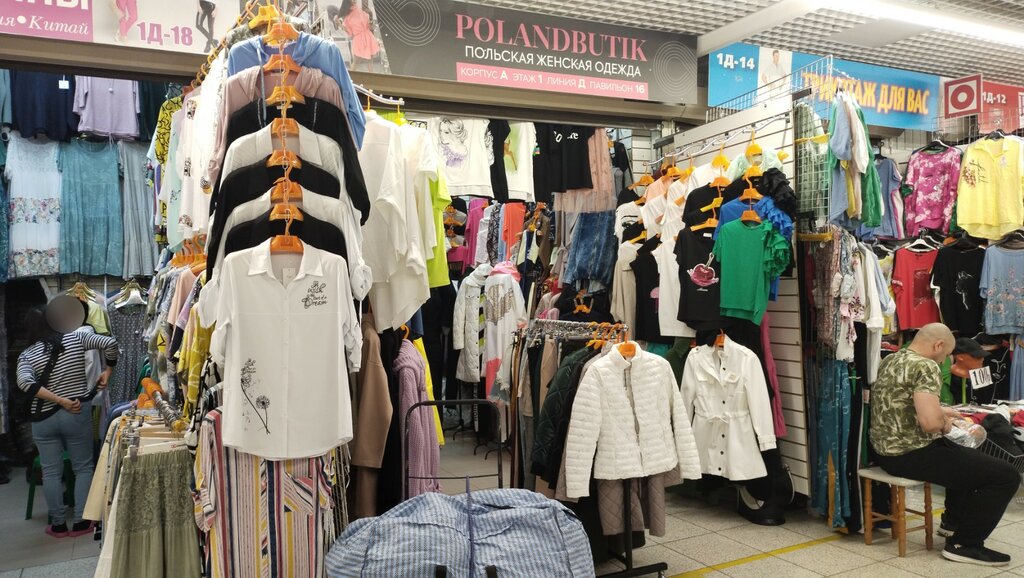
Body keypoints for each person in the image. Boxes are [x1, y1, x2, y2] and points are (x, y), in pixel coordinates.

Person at [870, 323, 1019, 567]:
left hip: (885, 450)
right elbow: (930, 425)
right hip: (911, 452)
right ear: (938, 345)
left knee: (967, 458)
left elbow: (901, 402)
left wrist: (941, 410)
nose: (944, 361)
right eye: (946, 355)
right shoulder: (926, 366)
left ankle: (952, 523)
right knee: (1006, 476)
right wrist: (946, 424)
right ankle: (965, 544)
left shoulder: (892, 359)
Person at [16, 304, 118, 538]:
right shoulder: (77, 338)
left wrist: (57, 400)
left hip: (43, 420)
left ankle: (59, 525)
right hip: (75, 412)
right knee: (82, 467)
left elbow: (25, 383)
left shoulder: (27, 355)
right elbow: (110, 343)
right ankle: (82, 522)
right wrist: (108, 371)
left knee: (51, 472)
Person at [342, 0, 380, 72]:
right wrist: (341, 25)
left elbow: (369, 27)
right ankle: (349, 77)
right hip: (358, 39)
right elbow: (350, 32)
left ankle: (371, 77)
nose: (354, 1)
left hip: (368, 37)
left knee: (370, 61)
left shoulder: (360, 11)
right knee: (356, 61)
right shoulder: (347, 16)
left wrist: (370, 18)